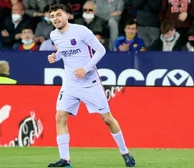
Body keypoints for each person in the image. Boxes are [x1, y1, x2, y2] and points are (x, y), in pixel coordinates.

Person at [47, 4, 135, 167]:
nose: (56, 19)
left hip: (90, 83)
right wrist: (56, 56)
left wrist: (85, 69)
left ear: (67, 15)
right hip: (70, 83)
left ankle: (125, 152)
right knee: (60, 116)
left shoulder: (81, 31)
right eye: (52, 16)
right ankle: (65, 160)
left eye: (58, 15)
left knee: (107, 119)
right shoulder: (54, 35)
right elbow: (65, 50)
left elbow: (101, 50)